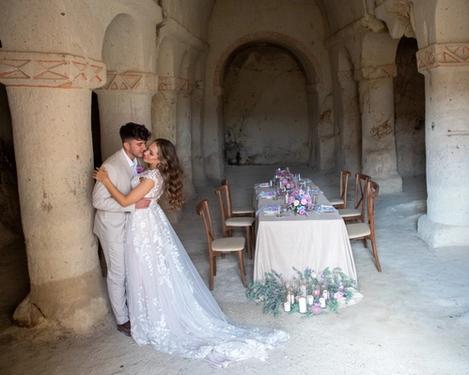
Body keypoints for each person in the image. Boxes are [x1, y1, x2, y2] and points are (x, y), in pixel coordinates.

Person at [92, 138, 288, 367]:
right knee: (150, 271)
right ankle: (147, 313)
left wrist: (106, 181)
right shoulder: (152, 174)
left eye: (151, 152)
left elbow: (126, 199)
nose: (146, 152)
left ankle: (156, 317)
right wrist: (138, 199)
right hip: (146, 223)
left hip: (144, 228)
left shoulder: (150, 178)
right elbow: (138, 201)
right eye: (148, 149)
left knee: (147, 271)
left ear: (160, 160)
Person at [92, 122, 151, 337]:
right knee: (117, 273)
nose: (143, 148)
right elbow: (97, 200)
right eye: (139, 144)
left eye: (144, 144)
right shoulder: (110, 166)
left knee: (129, 269)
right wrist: (131, 206)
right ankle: (122, 319)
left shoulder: (135, 162)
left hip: (127, 225)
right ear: (126, 145)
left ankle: (131, 309)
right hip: (112, 227)